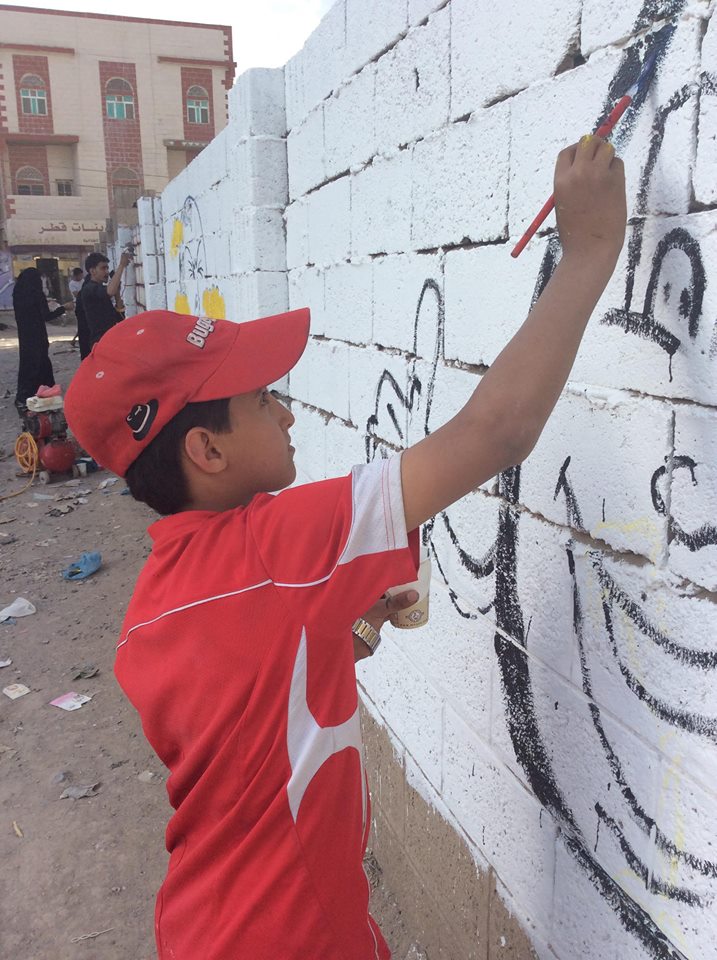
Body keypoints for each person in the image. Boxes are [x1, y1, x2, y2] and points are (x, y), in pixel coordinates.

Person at [64, 135, 626, 960]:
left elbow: (246, 715)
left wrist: (345, 636)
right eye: (263, 399)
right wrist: (589, 250)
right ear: (207, 451)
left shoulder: (161, 600)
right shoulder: (275, 549)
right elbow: (496, 432)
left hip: (209, 927)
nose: (287, 411)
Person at [13, 267, 72, 410]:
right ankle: (45, 392)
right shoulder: (36, 294)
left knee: (28, 365)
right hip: (38, 335)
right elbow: (46, 316)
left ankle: (24, 395)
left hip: (25, 336)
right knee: (42, 364)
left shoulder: (18, 294)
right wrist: (63, 308)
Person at [78, 250, 131, 351]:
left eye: (107, 268)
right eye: (103, 268)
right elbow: (110, 291)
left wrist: (117, 293)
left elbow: (119, 317)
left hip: (109, 339)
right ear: (92, 271)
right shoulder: (89, 289)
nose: (106, 272)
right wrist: (121, 265)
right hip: (100, 342)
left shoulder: (100, 289)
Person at [69, 267, 84, 351]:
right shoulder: (72, 284)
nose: (81, 277)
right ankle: (74, 339)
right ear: (76, 275)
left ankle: (74, 340)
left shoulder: (83, 281)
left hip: (85, 304)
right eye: (80, 275)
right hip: (78, 304)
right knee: (81, 324)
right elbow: (76, 294)